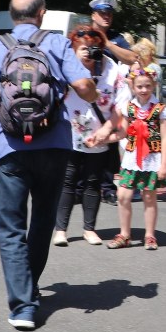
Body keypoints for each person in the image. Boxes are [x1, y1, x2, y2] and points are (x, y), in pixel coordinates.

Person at [0, 0, 99, 331]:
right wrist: (93, 94)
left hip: (8, 148)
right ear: (41, 13)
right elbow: (83, 84)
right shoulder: (56, 44)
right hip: (53, 145)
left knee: (10, 227)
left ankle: (23, 305)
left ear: (12, 16)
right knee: (42, 222)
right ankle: (29, 290)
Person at [52, 26, 119, 247]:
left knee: (93, 182)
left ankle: (89, 229)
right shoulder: (66, 67)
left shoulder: (111, 70)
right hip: (69, 134)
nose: (89, 53)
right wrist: (75, 63)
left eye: (94, 48)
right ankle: (60, 230)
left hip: (99, 135)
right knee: (66, 182)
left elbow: (120, 107)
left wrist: (107, 129)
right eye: (84, 48)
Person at [93, 69, 166, 250]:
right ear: (133, 87)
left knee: (149, 197)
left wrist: (164, 165)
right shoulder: (128, 108)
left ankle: (150, 235)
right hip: (131, 159)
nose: (144, 90)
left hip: (152, 158)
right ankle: (125, 234)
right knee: (123, 195)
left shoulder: (162, 110)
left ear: (154, 86)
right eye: (140, 86)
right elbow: (123, 133)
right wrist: (102, 139)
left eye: (147, 86)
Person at [88, 0, 138, 66]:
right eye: (102, 13)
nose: (106, 17)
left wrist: (107, 43)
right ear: (93, 16)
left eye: (109, 13)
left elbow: (133, 58)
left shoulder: (117, 37)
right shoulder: (85, 34)